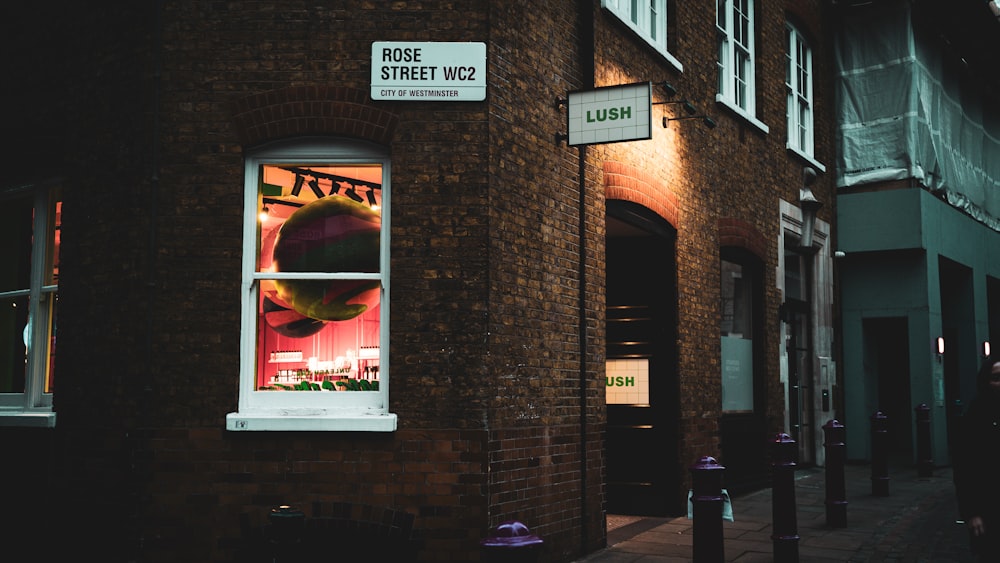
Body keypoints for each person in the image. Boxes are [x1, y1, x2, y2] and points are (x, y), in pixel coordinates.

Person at [954, 357, 1000, 561]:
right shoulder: (976, 415)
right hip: (990, 506)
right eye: (997, 378)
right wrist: (972, 512)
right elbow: (965, 469)